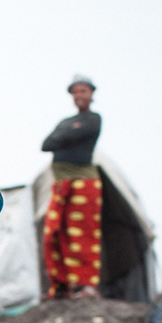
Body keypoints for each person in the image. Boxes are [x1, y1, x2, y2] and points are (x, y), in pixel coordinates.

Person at [40, 76, 103, 299]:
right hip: (61, 184)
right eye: (75, 91)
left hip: (83, 183)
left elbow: (61, 138)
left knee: (82, 234)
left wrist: (64, 137)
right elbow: (46, 144)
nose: (79, 95)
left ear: (91, 93)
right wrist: (67, 136)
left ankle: (87, 285)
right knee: (55, 234)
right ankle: (61, 286)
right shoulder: (67, 121)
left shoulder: (94, 119)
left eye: (83, 91)